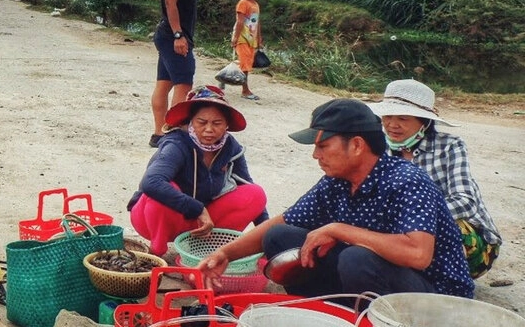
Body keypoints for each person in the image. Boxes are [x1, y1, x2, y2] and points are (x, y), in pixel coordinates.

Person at [199, 98, 473, 298]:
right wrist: (225, 254)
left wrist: (339, 229)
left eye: (323, 146)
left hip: (435, 295)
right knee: (280, 238)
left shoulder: (407, 181)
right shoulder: (336, 181)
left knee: (356, 259)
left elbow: (418, 254)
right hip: (376, 279)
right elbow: (284, 220)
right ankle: (330, 308)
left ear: (356, 145)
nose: (315, 155)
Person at [367, 79, 502, 278]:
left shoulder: (450, 146)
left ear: (425, 122)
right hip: (404, 235)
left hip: (470, 243)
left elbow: (466, 202)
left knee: (438, 231)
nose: (392, 125)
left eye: (403, 119)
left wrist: (415, 219)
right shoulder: (380, 148)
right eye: (387, 116)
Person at [127, 85, 268, 259]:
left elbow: (247, 185)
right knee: (162, 189)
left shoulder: (230, 147)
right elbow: (151, 182)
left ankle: (206, 250)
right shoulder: (176, 144)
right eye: (202, 122)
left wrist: (267, 236)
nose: (209, 129)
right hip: (156, 218)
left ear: (227, 126)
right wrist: (198, 209)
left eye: (217, 123)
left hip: (200, 223)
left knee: (255, 194)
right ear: (191, 121)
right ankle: (157, 252)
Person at [150, 0, 206, 148]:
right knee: (183, 84)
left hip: (170, 36)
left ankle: (158, 134)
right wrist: (178, 35)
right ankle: (174, 134)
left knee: (164, 84)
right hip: (173, 36)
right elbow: (170, 4)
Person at [230, 0, 262, 102]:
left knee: (246, 63)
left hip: (251, 39)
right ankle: (245, 90)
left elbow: (257, 23)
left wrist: (259, 38)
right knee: (245, 65)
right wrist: (235, 38)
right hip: (243, 38)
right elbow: (240, 22)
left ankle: (225, 76)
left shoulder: (255, 4)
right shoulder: (243, 3)